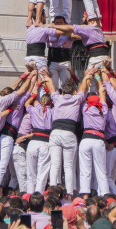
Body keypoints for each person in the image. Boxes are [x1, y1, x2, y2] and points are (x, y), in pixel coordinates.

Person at [42, 67, 95, 197]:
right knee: (68, 166)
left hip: (55, 133)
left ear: (63, 92)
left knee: (55, 164)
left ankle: (52, 192)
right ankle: (70, 194)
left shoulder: (57, 98)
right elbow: (83, 89)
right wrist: (87, 75)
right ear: (72, 91)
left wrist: (46, 77)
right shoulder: (76, 99)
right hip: (69, 133)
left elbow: (52, 88)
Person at [0, 72, 36, 197]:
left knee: (8, 171)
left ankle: (1, 192)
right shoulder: (17, 103)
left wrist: (25, 76)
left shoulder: (3, 100)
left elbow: (13, 88)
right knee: (2, 168)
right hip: (7, 137)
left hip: (4, 137)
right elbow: (28, 92)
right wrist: (34, 78)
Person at [79, 75, 109, 197]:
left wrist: (87, 77)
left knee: (85, 170)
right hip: (99, 141)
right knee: (101, 171)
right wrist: (98, 77)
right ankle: (105, 196)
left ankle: (85, 197)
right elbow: (102, 92)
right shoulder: (104, 109)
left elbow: (82, 91)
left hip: (86, 140)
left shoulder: (85, 108)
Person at [25, 85, 53, 194]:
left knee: (30, 173)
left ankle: (29, 195)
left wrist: (36, 89)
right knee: (42, 173)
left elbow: (27, 103)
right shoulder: (52, 111)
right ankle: (38, 196)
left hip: (33, 142)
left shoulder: (34, 109)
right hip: (45, 143)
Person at [47, 16, 78, 88]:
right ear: (54, 23)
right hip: (53, 62)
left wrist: (67, 31)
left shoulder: (68, 33)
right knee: (53, 85)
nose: (59, 24)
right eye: (57, 23)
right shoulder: (50, 32)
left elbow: (77, 36)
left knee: (66, 85)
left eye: (61, 23)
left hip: (65, 62)